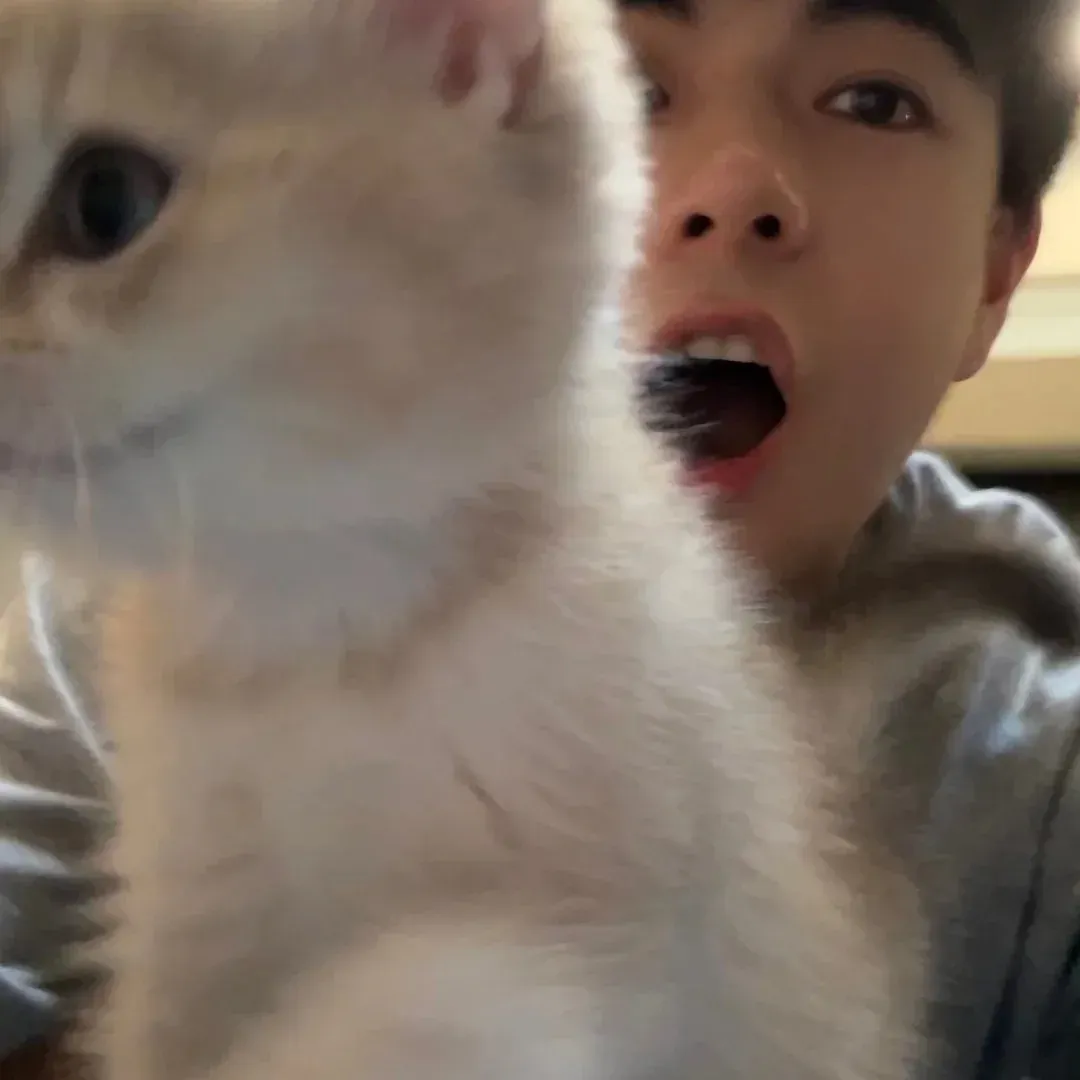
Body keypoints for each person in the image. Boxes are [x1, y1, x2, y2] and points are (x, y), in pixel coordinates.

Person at [1, 0, 1078, 1076]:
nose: (737, 192)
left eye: (872, 101)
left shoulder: (1039, 767)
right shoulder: (121, 584)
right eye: (647, 85)